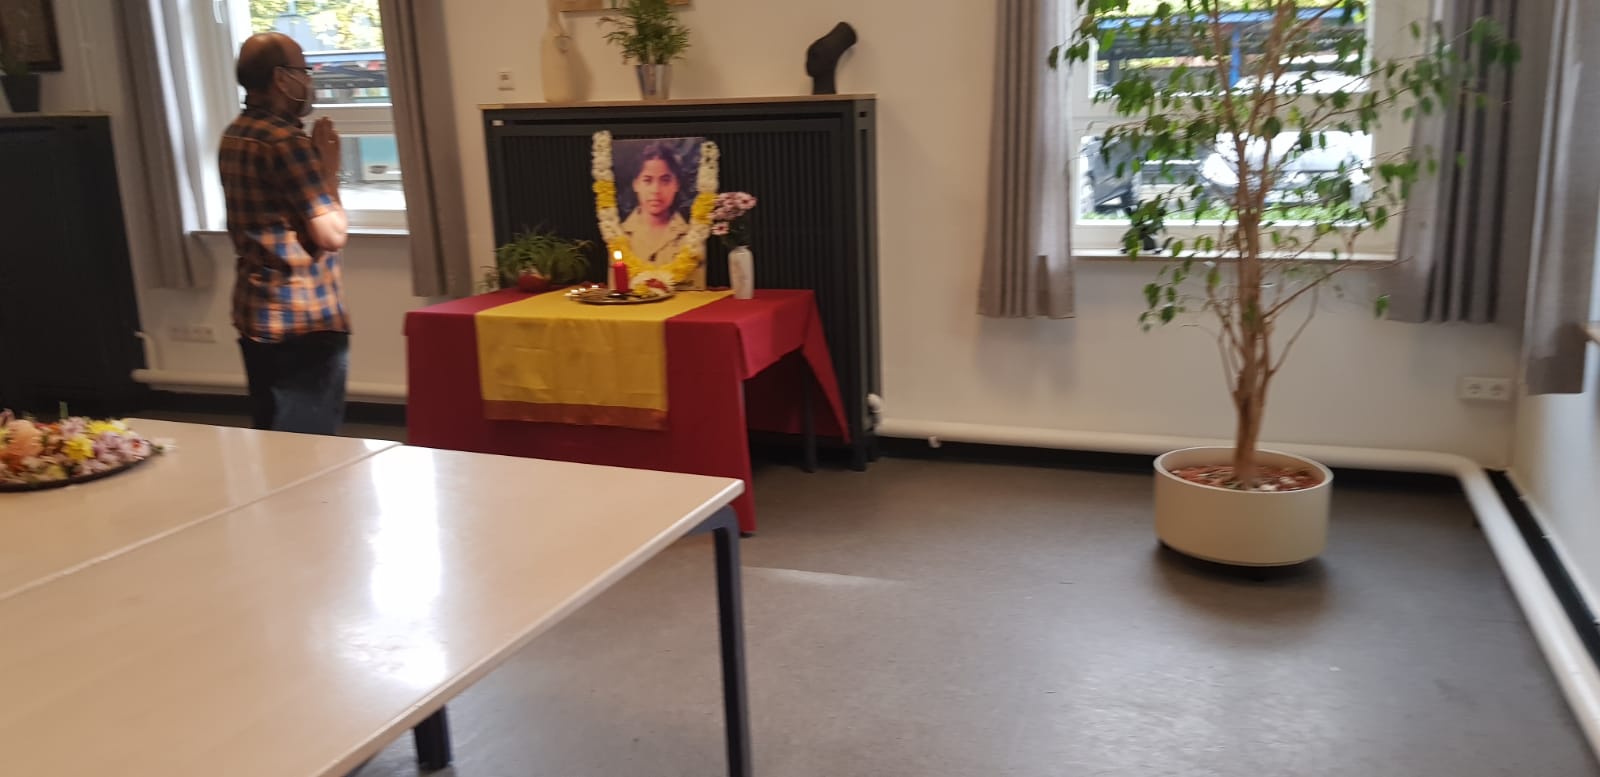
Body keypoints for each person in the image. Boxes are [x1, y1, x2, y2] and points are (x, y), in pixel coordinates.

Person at [221, 32, 351, 435]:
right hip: (302, 320)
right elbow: (331, 234)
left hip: (256, 311)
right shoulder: (286, 142)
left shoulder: (236, 133)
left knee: (274, 437)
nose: (308, 80)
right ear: (281, 78)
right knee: (310, 445)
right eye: (303, 70)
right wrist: (329, 169)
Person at [620, 141, 706, 288]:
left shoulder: (692, 236)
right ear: (636, 184)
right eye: (647, 180)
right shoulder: (619, 236)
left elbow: (695, 289)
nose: (656, 190)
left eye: (665, 180)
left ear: (676, 184)